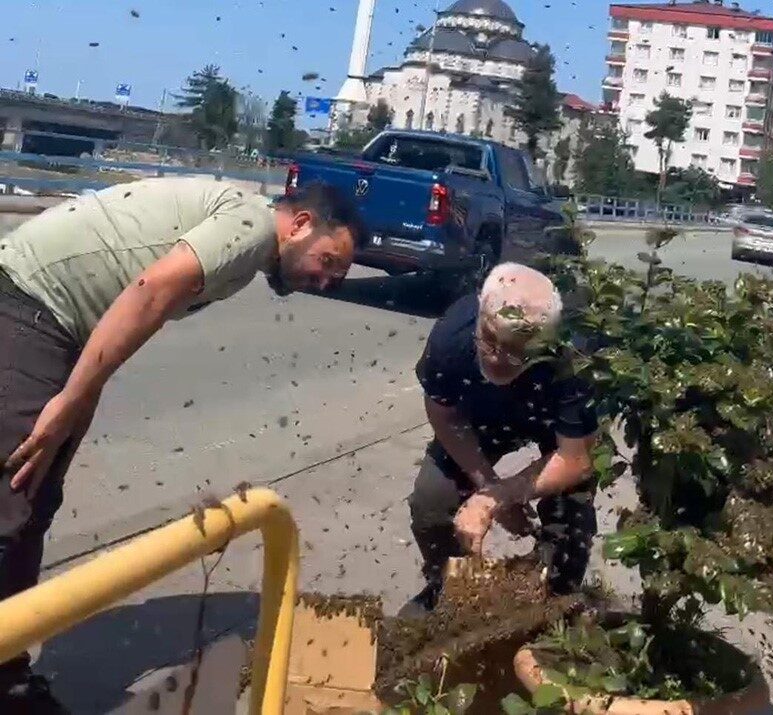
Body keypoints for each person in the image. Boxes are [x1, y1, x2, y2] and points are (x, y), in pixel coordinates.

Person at [0, 177, 361, 712]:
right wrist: (67, 399)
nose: (325, 280)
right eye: (328, 262)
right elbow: (150, 290)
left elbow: (128, 309)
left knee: (33, 503)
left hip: (57, 324)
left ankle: (8, 673)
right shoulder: (251, 228)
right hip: (29, 307)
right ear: (302, 225)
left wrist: (79, 397)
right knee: (10, 505)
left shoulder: (247, 241)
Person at [407, 263, 598, 612]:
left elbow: (576, 458)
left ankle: (553, 600)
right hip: (482, 416)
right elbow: (444, 413)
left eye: (516, 351)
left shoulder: (574, 360)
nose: (496, 358)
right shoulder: (453, 335)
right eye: (489, 339)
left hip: (552, 425)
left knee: (571, 518)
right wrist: (487, 486)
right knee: (431, 500)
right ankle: (447, 590)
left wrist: (503, 497)